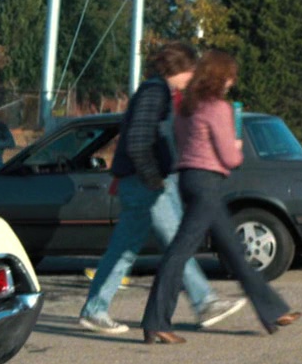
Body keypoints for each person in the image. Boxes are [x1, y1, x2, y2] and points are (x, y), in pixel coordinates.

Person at [79, 42, 245, 335]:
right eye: (191, 71)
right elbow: (139, 140)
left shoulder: (158, 92)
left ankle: (95, 309)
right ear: (179, 69)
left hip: (141, 181)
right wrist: (154, 178)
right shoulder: (154, 93)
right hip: (147, 182)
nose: (193, 77)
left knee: (125, 249)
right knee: (176, 241)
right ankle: (205, 301)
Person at [140, 50, 298, 344]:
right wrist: (237, 147)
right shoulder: (218, 108)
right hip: (207, 182)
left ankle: (273, 311)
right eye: (229, 76)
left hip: (188, 179)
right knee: (180, 252)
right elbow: (229, 156)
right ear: (220, 77)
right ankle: (156, 321)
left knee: (233, 251)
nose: (231, 82)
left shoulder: (187, 107)